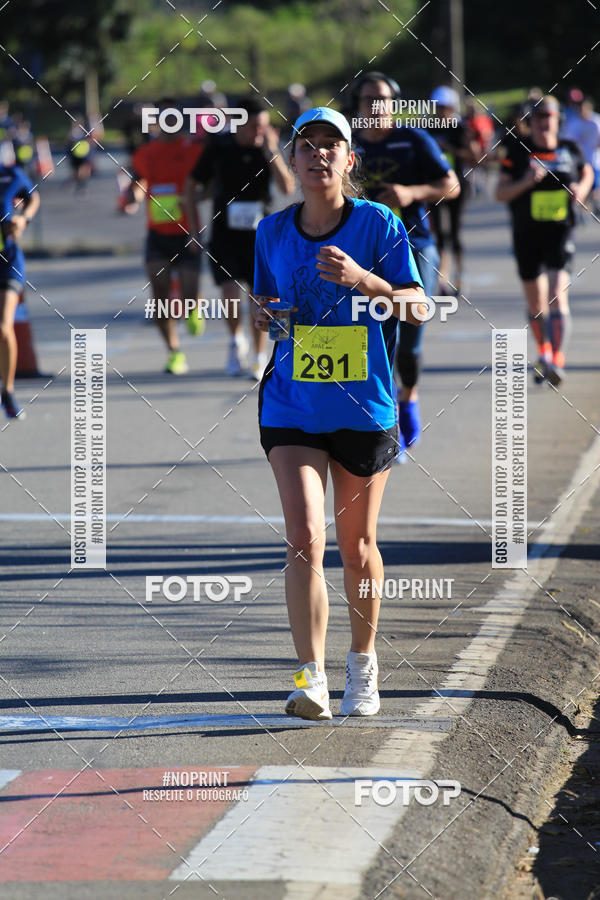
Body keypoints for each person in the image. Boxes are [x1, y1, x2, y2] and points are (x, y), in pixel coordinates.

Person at [252, 107, 427, 719]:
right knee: (303, 539)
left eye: (333, 145)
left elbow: (420, 306)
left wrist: (365, 280)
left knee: (358, 548)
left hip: (365, 406)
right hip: (293, 404)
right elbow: (271, 311)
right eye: (308, 145)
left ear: (350, 160)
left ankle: (362, 664)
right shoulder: (270, 232)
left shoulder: (379, 224)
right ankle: (309, 678)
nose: (320, 154)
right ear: (292, 160)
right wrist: (269, 320)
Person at [351, 72, 460, 449]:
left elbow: (452, 183)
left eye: (382, 99)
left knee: (410, 339)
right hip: (363, 251)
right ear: (359, 106)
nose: (375, 106)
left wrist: (411, 192)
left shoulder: (413, 138)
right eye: (368, 100)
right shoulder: (348, 144)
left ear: (394, 104)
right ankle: (380, 419)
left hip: (415, 247)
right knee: (371, 336)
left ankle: (408, 398)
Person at [185, 96, 296, 379]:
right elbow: (191, 185)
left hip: (261, 235)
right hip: (224, 232)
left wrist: (272, 153)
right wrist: (194, 230)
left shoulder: (267, 149)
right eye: (255, 127)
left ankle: (259, 357)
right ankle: (236, 341)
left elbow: (287, 187)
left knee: (260, 297)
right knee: (229, 293)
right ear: (238, 124)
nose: (260, 133)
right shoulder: (219, 146)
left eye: (264, 127)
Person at [496, 95, 594, 387]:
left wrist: (581, 189)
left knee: (556, 292)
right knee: (537, 301)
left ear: (557, 120)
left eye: (548, 117)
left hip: (560, 233)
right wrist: (526, 181)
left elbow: (587, 171)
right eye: (538, 118)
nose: (543, 123)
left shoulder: (570, 149)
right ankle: (544, 351)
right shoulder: (518, 150)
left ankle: (556, 360)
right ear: (531, 122)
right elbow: (500, 193)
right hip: (526, 235)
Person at [129, 97, 205, 374]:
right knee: (160, 297)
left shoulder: (193, 151)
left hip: (188, 234)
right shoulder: (146, 153)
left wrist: (194, 197)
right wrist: (133, 197)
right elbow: (139, 181)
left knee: (188, 295)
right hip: (157, 234)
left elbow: (209, 186)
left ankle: (194, 307)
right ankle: (174, 353)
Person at [427, 86, 480, 296]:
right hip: (435, 186)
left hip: (457, 186)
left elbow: (475, 155)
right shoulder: (429, 129)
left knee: (455, 233)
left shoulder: (460, 128)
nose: (441, 112)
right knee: (439, 233)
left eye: (445, 108)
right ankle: (442, 279)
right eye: (438, 108)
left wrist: (452, 149)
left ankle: (460, 275)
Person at [0, 163, 40, 418]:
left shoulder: (9, 173)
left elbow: (33, 196)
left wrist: (23, 218)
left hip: (8, 261)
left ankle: (8, 391)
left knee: (3, 326)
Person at [561, 97, 600, 216]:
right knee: (582, 186)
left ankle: (595, 204)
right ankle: (583, 209)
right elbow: (567, 140)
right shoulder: (574, 123)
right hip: (579, 161)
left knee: (595, 187)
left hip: (594, 160)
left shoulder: (595, 121)